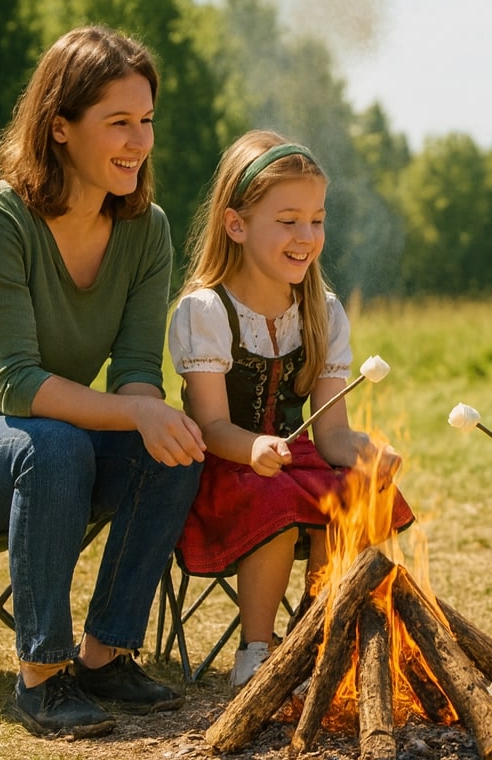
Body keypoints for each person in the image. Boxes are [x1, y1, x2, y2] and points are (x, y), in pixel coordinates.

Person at [0, 26, 207, 737]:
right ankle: (40, 676)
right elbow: (15, 386)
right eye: (118, 123)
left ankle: (104, 657)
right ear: (59, 127)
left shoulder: (145, 230)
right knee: (58, 443)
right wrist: (132, 417)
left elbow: (133, 372)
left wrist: (154, 418)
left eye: (147, 120)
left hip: (47, 448)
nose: (139, 140)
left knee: (172, 445)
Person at [168, 130, 413, 688]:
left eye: (317, 220)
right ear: (236, 225)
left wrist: (364, 450)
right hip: (224, 467)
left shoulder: (321, 311)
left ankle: (318, 631)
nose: (307, 237)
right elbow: (208, 427)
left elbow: (329, 433)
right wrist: (252, 447)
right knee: (277, 494)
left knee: (349, 486)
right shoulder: (205, 310)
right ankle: (255, 651)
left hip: (291, 459)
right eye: (288, 221)